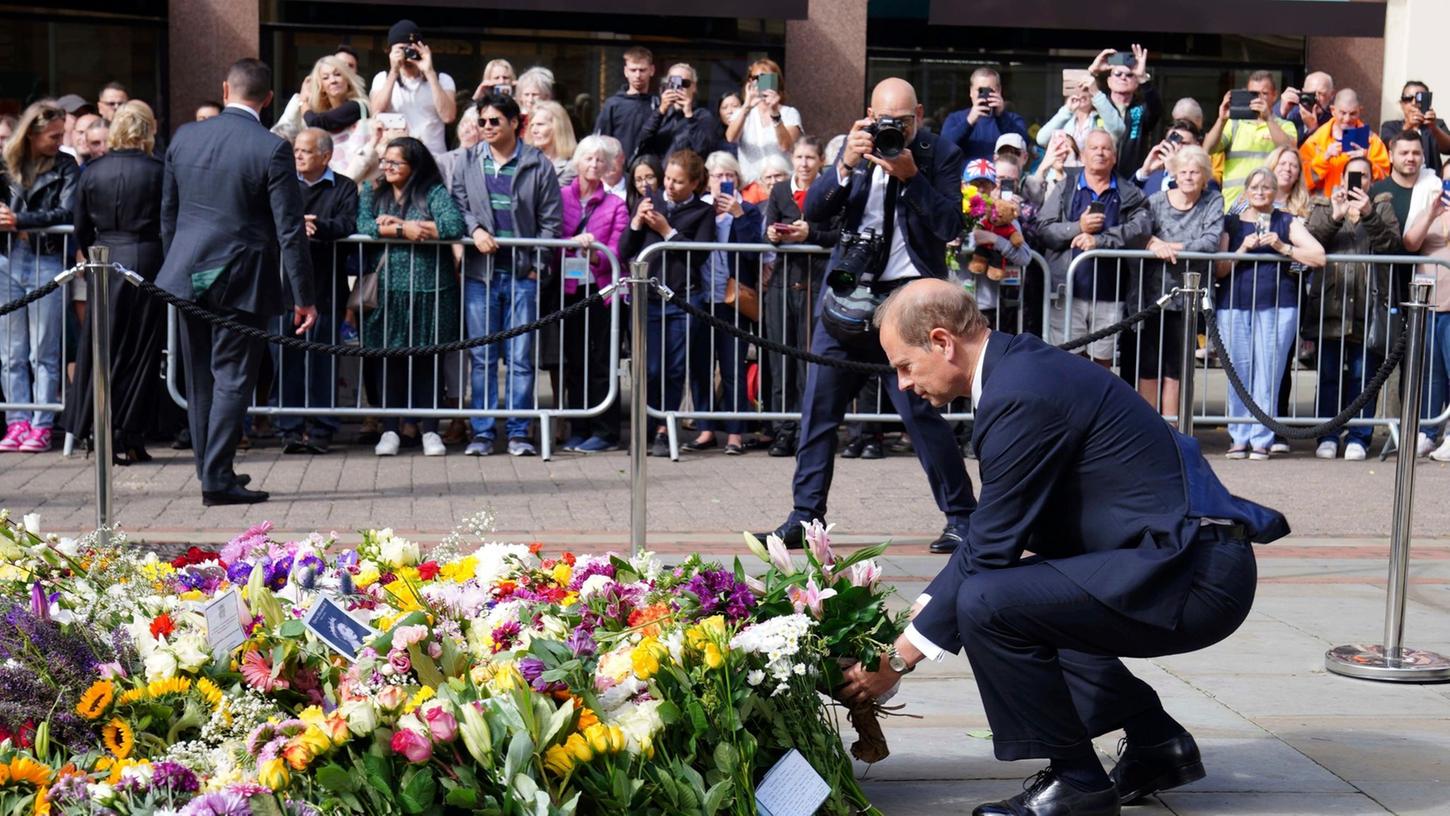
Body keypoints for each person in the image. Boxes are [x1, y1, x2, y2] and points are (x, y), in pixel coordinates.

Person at [841, 278, 1288, 816]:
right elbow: (994, 532)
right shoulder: (1021, 371)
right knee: (1025, 598)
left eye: (904, 365)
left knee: (989, 603)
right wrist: (917, 617)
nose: (903, 384)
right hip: (1188, 560)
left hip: (1195, 577)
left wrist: (896, 659)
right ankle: (1156, 745)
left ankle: (1078, 783)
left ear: (942, 342)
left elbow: (990, 549)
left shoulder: (1021, 392)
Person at [756, 77, 975, 553]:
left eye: (901, 121)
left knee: (920, 413)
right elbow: (814, 213)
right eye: (883, 121)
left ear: (918, 114)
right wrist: (845, 165)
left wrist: (911, 175)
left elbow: (949, 225)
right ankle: (804, 516)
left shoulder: (942, 154)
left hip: (909, 298)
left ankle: (962, 518)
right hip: (848, 294)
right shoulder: (852, 149)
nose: (891, 129)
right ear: (868, 115)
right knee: (818, 408)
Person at [157, 59, 317, 503]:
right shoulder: (271, 147)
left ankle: (213, 470)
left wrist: (177, 264)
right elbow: (289, 228)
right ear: (268, 100)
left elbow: (168, 215)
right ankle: (217, 478)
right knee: (231, 376)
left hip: (187, 271)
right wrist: (303, 295)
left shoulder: (185, 136)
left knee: (200, 378)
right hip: (242, 275)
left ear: (225, 88)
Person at [452, 92, 563, 458]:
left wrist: (537, 267)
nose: (485, 127)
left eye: (493, 121)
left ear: (515, 123)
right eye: (481, 121)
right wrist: (475, 231)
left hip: (521, 275)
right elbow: (458, 206)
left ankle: (518, 432)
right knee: (482, 357)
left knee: (520, 357)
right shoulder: (467, 160)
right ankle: (482, 432)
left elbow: (551, 221)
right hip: (479, 275)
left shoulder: (537, 163)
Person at [59, 100, 167, 464]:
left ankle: (103, 430)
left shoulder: (92, 171)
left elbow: (80, 226)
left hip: (105, 259)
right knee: (140, 350)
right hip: (148, 259)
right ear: (148, 130)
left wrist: (93, 251)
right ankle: (128, 433)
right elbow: (169, 220)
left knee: (103, 347)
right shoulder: (159, 169)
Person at [356, 136, 464, 457]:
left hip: (431, 288)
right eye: (385, 161)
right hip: (389, 288)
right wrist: (404, 231)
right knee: (389, 359)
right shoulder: (373, 192)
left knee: (428, 359)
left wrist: (402, 223)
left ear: (413, 165)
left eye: (395, 163)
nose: (387, 167)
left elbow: (452, 225)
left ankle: (431, 428)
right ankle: (390, 428)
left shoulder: (432, 191)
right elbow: (364, 223)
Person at [1215, 167, 1326, 460]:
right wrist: (1241, 249)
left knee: (1269, 372)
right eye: (1255, 187)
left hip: (1279, 303)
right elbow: (1219, 269)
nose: (1261, 192)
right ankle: (1239, 436)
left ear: (1275, 192)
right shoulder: (1231, 223)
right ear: (1246, 191)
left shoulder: (1286, 220)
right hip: (1235, 303)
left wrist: (1283, 246)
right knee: (1237, 370)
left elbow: (1318, 256)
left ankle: (1262, 437)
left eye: (1267, 187)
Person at [1303, 155, 1400, 461]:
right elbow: (1311, 242)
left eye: (1365, 177)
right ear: (1342, 179)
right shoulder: (1323, 206)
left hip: (1368, 308)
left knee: (1363, 376)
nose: (1358, 182)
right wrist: (1336, 215)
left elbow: (1390, 244)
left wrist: (1369, 214)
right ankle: (1327, 434)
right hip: (1331, 306)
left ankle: (1359, 435)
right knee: (1329, 374)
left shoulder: (1382, 205)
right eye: (1352, 176)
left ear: (1372, 181)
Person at [620, 148, 715, 457]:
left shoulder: (702, 212)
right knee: (648, 367)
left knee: (674, 368)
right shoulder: (652, 202)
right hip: (647, 296)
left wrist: (666, 231)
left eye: (678, 182)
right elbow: (624, 249)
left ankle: (663, 429)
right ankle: (645, 426)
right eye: (668, 180)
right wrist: (636, 221)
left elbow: (699, 254)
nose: (670, 187)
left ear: (694, 184)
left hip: (682, 297)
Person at [269, 128, 359, 455]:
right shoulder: (282, 182)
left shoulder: (344, 186)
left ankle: (322, 428)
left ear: (326, 156)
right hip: (284, 287)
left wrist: (316, 226)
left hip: (324, 285)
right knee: (285, 358)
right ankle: (289, 428)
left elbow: (350, 223)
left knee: (323, 360)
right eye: (296, 150)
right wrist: (292, 227)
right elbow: (266, 218)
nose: (298, 156)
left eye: (306, 151)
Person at [1037, 129, 1153, 366]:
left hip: (1111, 293)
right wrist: (1078, 227)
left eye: (1106, 148)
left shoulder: (1130, 193)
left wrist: (1100, 241)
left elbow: (1140, 228)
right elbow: (1044, 229)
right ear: (1082, 156)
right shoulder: (1065, 187)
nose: (1100, 153)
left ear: (1114, 157)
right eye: (1094, 148)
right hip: (1068, 291)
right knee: (1067, 361)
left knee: (1102, 363)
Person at [0, 100, 75, 454]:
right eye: (52, 134)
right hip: (9, 259)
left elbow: (69, 210)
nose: (59, 140)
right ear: (31, 133)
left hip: (46, 257)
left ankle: (42, 422)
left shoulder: (66, 165)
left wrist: (20, 221)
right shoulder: (6, 165)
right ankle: (17, 421)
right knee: (11, 352)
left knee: (43, 350)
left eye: (61, 133)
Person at [681, 151, 762, 456]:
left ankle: (735, 433)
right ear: (707, 180)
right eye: (718, 175)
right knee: (701, 366)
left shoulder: (749, 211)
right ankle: (704, 429)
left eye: (730, 176)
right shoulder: (698, 209)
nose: (724, 181)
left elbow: (754, 251)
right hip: (701, 297)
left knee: (733, 369)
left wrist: (738, 215)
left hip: (733, 301)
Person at [1137, 145, 1224, 414]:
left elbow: (1211, 241)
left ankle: (1173, 428)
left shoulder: (1213, 200)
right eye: (1183, 171)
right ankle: (1147, 427)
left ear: (1204, 175)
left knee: (1177, 368)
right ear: (1174, 173)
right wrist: (1152, 242)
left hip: (1189, 296)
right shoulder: (1156, 201)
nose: (1188, 177)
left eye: (1195, 172)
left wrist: (1171, 247)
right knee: (1149, 365)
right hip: (1153, 294)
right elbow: (1139, 231)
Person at [762, 135, 833, 457]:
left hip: (816, 282)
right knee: (781, 360)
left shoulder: (830, 189)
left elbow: (838, 233)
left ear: (820, 161)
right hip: (782, 282)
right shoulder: (779, 190)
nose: (804, 164)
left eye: (810, 158)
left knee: (808, 362)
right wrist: (774, 234)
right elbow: (769, 230)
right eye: (800, 157)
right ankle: (782, 430)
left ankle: (806, 430)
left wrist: (811, 235)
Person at [558, 135, 629, 453]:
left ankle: (605, 431)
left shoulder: (616, 204)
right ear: (577, 161)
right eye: (588, 158)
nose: (594, 164)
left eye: (601, 159)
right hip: (569, 289)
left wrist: (594, 253)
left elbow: (618, 249)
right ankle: (579, 427)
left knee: (602, 361)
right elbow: (553, 235)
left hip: (602, 291)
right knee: (574, 361)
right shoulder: (561, 197)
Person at [1401, 162, 1450, 461]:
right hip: (1430, 302)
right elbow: (1410, 242)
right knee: (1431, 372)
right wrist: (1432, 213)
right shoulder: (1429, 209)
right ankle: (1429, 432)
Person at [1204, 71, 1298, 211]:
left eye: (1264, 94)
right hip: (1233, 206)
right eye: (1253, 94)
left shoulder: (1285, 126)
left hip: (1270, 207)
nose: (1258, 99)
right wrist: (1221, 120)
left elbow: (1288, 149)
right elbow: (1208, 149)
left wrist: (1268, 119)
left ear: (1274, 95)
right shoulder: (1234, 124)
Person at [272, 56, 372, 179]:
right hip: (325, 183)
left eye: (338, 74)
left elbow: (316, 123)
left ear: (347, 80)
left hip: (357, 181)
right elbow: (283, 130)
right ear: (321, 86)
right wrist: (300, 98)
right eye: (326, 77)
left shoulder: (358, 105)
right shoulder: (316, 113)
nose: (333, 80)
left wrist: (303, 102)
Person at [368, 19, 457, 156]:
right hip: (396, 158)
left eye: (411, 49)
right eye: (401, 50)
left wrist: (429, 72)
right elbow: (376, 112)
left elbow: (448, 117)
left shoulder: (442, 79)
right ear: (389, 52)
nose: (407, 54)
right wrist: (394, 72)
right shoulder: (383, 78)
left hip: (434, 159)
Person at [724, 58, 801, 185]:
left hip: (782, 184)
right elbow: (731, 138)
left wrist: (775, 112)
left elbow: (786, 146)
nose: (764, 84)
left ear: (777, 83)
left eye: (769, 79)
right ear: (750, 82)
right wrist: (747, 106)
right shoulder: (743, 113)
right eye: (758, 79)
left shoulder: (789, 113)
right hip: (751, 185)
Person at [1087, 45, 1160, 179]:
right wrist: (1092, 71)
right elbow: (1076, 97)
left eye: (1129, 75)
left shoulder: (1142, 109)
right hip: (1099, 179)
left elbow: (1156, 108)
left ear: (1136, 82)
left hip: (1132, 180)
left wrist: (1142, 77)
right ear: (1109, 81)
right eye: (1118, 74)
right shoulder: (1097, 104)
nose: (1123, 78)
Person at [1299, 89, 1389, 195]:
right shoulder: (1315, 141)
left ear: (1360, 111)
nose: (1347, 119)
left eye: (1353, 114)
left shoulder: (1372, 141)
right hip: (1323, 206)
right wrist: (1324, 158)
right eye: (1343, 113)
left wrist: (1366, 162)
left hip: (1360, 205)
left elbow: (1384, 182)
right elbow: (1300, 181)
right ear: (1333, 111)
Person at [939, 67, 1030, 164]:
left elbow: (1023, 144)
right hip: (965, 177)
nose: (985, 95)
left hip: (1000, 177)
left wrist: (1002, 117)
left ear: (999, 91)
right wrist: (969, 121)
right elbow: (944, 147)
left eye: (990, 90)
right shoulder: (955, 119)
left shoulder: (1013, 119)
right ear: (971, 92)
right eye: (981, 91)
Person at [636, 63, 718, 161]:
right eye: (674, 83)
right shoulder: (658, 113)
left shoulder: (703, 116)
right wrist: (661, 110)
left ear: (694, 87)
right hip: (659, 173)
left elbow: (702, 150)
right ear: (667, 86)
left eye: (685, 83)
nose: (680, 88)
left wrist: (689, 115)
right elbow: (642, 142)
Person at [593, 46, 657, 161]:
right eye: (633, 70)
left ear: (651, 70)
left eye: (642, 70)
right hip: (619, 170)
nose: (638, 75)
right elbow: (600, 142)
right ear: (626, 71)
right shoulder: (613, 105)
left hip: (650, 170)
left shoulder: (658, 104)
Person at [1034, 75, 1120, 156]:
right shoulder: (1064, 118)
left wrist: (1098, 97)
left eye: (1086, 89)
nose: (1081, 93)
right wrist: (1067, 110)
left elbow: (1117, 130)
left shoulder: (1100, 119)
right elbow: (1042, 139)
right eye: (1076, 89)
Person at [1380, 80, 1450, 176]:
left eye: (1419, 98)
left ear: (1428, 102)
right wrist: (1408, 126)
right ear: (1401, 103)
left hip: (1432, 184)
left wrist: (1433, 127)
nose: (1413, 103)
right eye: (1408, 98)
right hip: (1400, 182)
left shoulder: (1437, 124)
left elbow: (1448, 149)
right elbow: (1391, 146)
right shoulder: (1390, 126)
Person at [1133, 120, 1216, 195]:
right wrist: (1144, 173)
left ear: (1197, 146)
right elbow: (1125, 201)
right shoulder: (1152, 178)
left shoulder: (1206, 181)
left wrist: (1174, 173)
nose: (1177, 148)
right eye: (1174, 142)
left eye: (1184, 143)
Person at [528, 100, 578, 185]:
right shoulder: (524, 159)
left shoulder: (572, 166)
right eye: (532, 125)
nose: (533, 130)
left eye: (540, 124)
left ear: (558, 127)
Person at [1283, 71, 1333, 145]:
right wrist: (1282, 114)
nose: (1316, 99)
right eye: (1311, 94)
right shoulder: (1291, 113)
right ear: (1303, 92)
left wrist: (1314, 130)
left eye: (1321, 94)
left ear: (1331, 95)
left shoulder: (1334, 120)